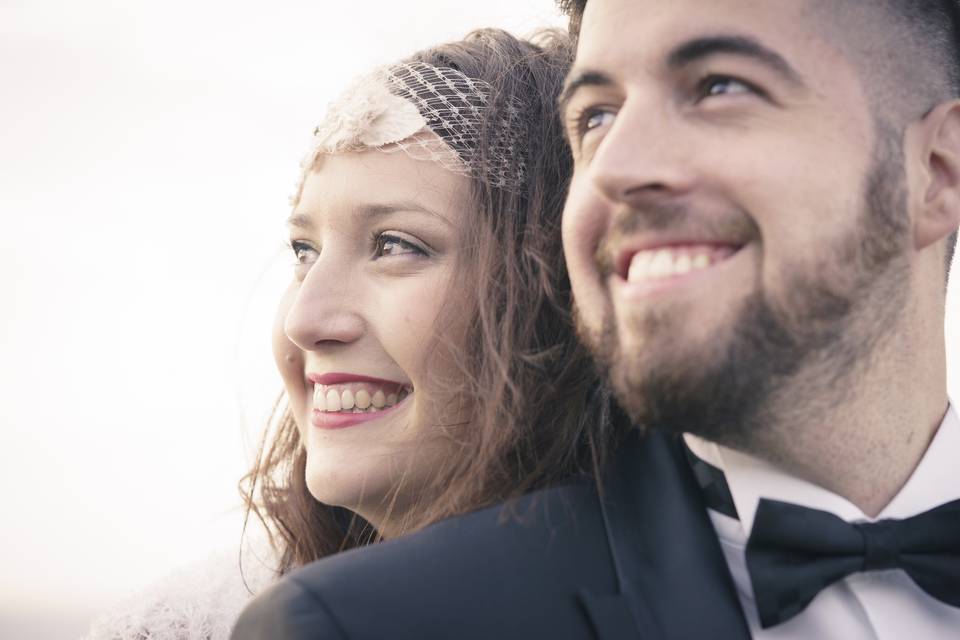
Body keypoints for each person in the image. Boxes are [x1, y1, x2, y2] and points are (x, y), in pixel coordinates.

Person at [233, 1, 960, 639]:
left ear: (937, 172)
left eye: (719, 86)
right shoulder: (356, 622)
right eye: (596, 118)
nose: (611, 168)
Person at [87, 27, 607, 640]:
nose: (304, 321)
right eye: (304, 250)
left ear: (558, 294)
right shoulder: (184, 628)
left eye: (395, 245)